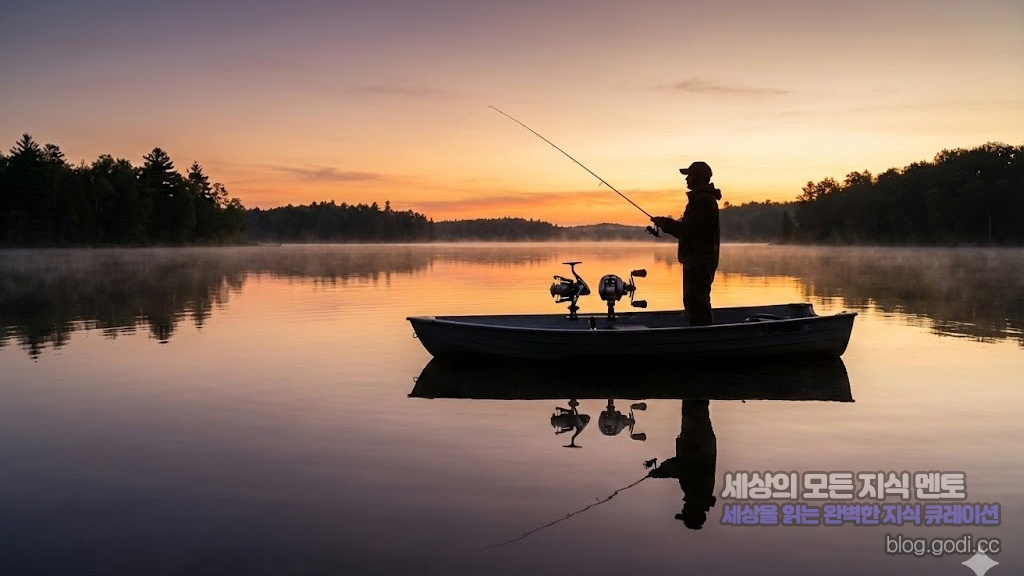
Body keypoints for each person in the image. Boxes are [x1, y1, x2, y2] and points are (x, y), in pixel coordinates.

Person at [650, 161, 721, 326]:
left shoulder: (703, 201)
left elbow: (686, 231)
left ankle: (702, 339)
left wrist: (665, 223)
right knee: (693, 304)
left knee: (698, 304)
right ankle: (699, 336)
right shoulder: (701, 199)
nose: (686, 179)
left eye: (689, 175)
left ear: (698, 177)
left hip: (699, 262)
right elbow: (688, 228)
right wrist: (666, 223)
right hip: (697, 260)